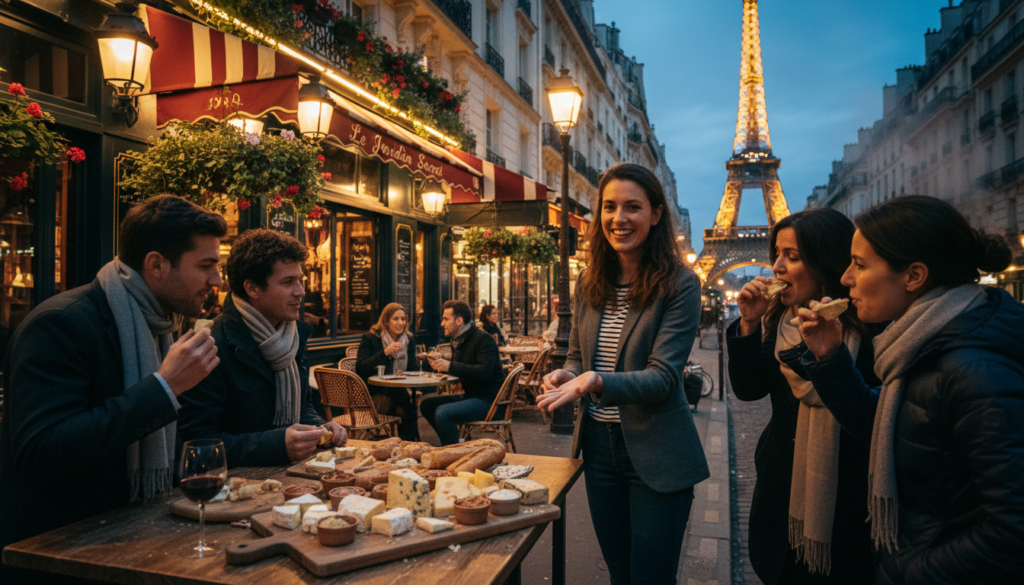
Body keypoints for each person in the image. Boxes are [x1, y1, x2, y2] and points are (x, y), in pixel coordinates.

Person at [796, 196, 1024, 584]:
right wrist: (831, 358)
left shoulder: (972, 370)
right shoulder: (923, 342)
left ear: (914, 276)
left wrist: (905, 570)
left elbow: (1012, 531)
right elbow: (891, 428)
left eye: (860, 264)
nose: (846, 277)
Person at [0, 195, 226, 581]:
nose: (217, 281)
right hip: (59, 555)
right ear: (155, 264)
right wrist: (164, 387)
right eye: (206, 266)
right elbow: (40, 452)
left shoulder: (160, 327)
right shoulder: (61, 324)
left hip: (134, 539)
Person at [536, 163, 708, 585]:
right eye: (609, 207)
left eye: (633, 207)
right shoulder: (589, 281)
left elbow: (665, 378)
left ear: (656, 213)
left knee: (650, 578)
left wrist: (595, 381)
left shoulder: (680, 285)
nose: (619, 219)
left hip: (656, 451)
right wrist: (566, 374)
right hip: (599, 449)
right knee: (619, 573)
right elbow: (578, 355)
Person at [728, 208, 877, 584]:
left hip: (844, 498)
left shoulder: (869, 334)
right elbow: (748, 390)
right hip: (780, 489)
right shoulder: (780, 321)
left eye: (792, 257)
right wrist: (748, 323)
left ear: (827, 262)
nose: (776, 266)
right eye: (776, 254)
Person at [178, 229, 346, 468]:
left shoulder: (293, 336)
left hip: (291, 481)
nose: (301, 291)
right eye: (288, 282)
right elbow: (198, 445)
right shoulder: (210, 346)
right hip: (234, 494)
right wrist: (276, 445)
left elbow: (302, 405)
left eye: (300, 280)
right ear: (253, 289)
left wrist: (319, 428)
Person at [420, 300, 503, 446]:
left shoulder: (483, 339)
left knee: (443, 413)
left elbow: (484, 372)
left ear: (459, 320)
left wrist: (450, 366)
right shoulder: (458, 341)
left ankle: (453, 452)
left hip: (491, 401)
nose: (442, 324)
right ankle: (457, 443)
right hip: (472, 396)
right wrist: (439, 366)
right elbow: (463, 369)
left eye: (445, 319)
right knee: (427, 405)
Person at [355, 302, 420, 440]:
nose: (400, 323)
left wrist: (405, 373)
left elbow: (413, 368)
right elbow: (360, 367)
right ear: (386, 321)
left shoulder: (408, 340)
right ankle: (404, 445)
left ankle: (405, 447)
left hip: (398, 391)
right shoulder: (371, 339)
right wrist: (384, 353)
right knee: (404, 411)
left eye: (403, 319)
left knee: (407, 411)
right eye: (395, 319)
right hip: (374, 392)